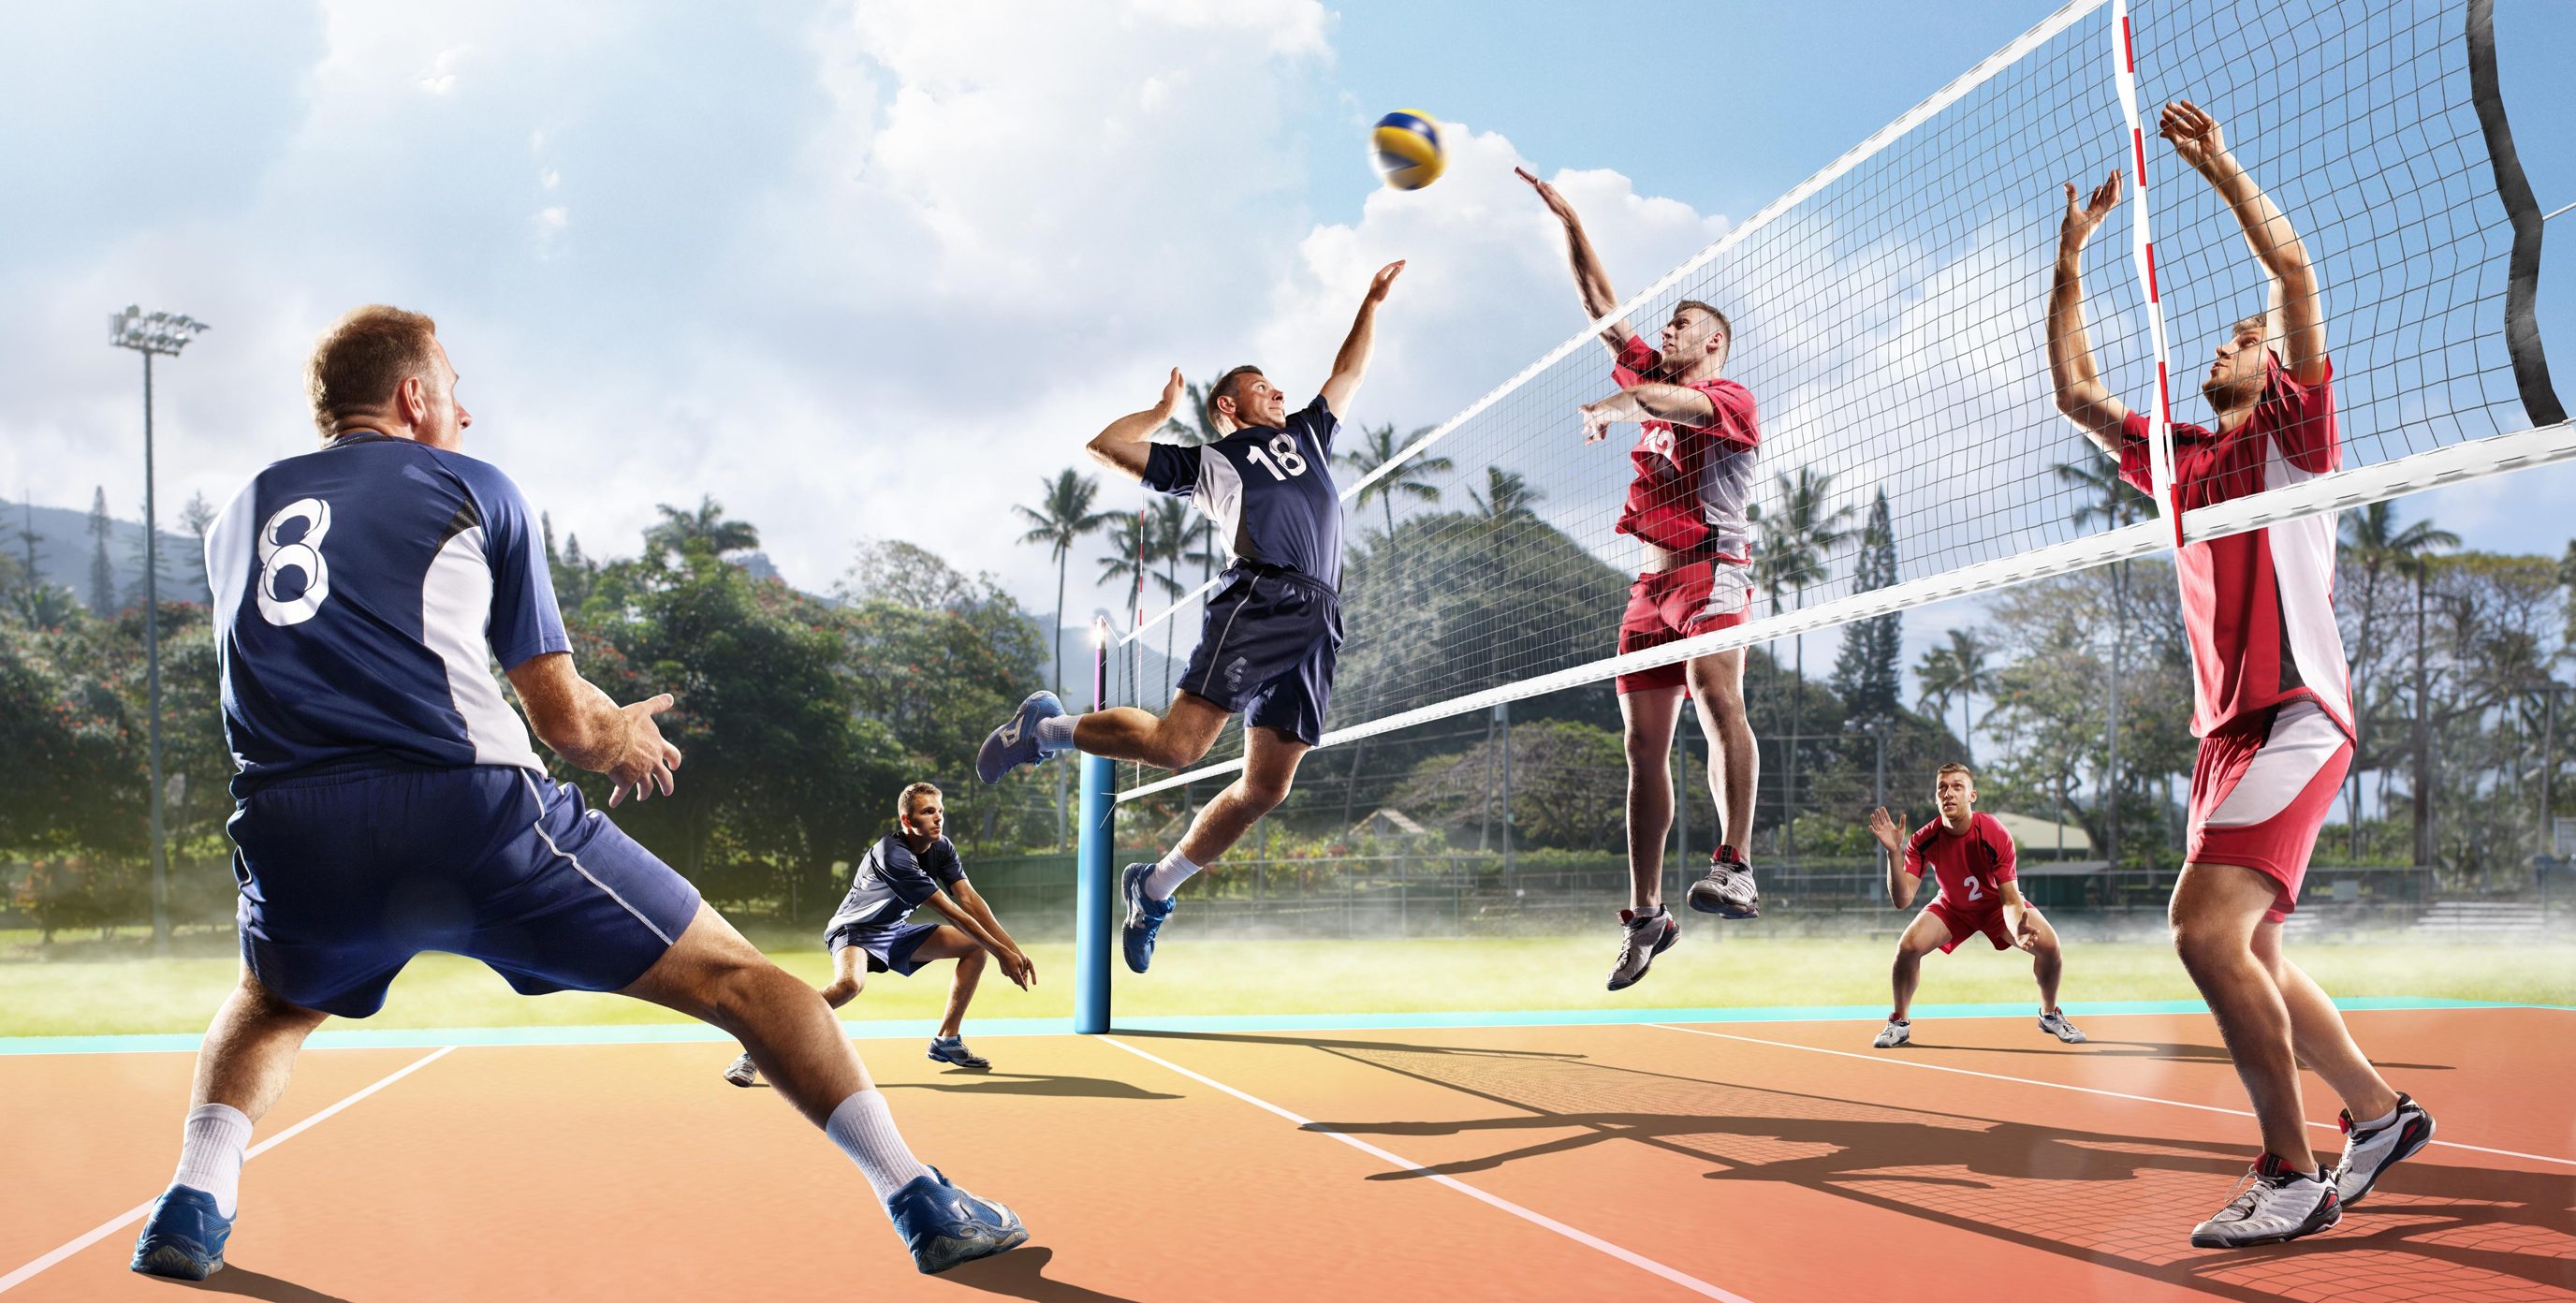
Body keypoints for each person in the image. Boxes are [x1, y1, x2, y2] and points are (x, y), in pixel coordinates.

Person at [131, 306, 1025, 1282]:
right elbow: (560, 719)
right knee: (745, 981)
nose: (464, 413)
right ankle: (922, 1199)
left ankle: (192, 1203)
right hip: (462, 810)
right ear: (412, 397)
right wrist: (620, 738)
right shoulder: (472, 488)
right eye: (454, 390)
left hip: (290, 823)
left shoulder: (240, 515)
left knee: (269, 1004)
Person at [2050, 101, 2434, 1249]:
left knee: (2203, 932)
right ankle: (2376, 1116)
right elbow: (2074, 393)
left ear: (2277, 374)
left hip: (2296, 716)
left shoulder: (2293, 437)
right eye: (2224, 336)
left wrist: (2219, 168)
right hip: (2226, 734)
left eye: (2244, 339)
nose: (2227, 342)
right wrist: (2070, 261)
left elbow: (2294, 269)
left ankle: (2290, 1170)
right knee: (2252, 945)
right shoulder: (2184, 465)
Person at [974, 262, 1403, 975]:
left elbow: (1349, 371)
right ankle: (1044, 728)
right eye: (1262, 385)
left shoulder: (1310, 433)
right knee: (1179, 748)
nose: (1279, 390)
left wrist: (1371, 302)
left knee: (1266, 787)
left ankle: (1154, 887)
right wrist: (1160, 412)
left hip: (1320, 616)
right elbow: (1106, 447)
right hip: (1261, 600)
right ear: (1228, 406)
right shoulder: (1213, 458)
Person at [1519, 165, 1764, 991]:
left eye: (1683, 323)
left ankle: (1735, 864)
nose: (1669, 328)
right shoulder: (1649, 372)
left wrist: (1606, 410)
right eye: (1667, 323)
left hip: (1713, 574)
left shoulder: (1727, 397)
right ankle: (1649, 914)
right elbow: (1599, 306)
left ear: (1713, 343)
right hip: (1649, 589)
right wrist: (1569, 218)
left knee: (1718, 694)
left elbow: (1667, 406)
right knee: (1640, 747)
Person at [723, 783, 1034, 1085]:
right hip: (854, 930)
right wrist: (1001, 953)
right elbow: (951, 911)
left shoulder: (943, 848)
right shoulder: (893, 855)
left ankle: (947, 1040)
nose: (938, 818)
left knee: (973, 948)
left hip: (894, 930)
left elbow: (969, 900)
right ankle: (755, 1049)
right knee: (849, 985)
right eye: (928, 812)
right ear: (907, 820)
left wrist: (1012, 951)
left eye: (940, 810)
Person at [1866, 765, 2086, 1048]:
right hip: (1952, 906)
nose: (1949, 793)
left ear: (1972, 795)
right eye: (1942, 787)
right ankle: (1899, 1023)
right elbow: (1903, 899)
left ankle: (2049, 1015)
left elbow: (2009, 898)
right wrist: (1893, 853)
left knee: (2051, 947)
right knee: (1907, 948)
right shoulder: (1923, 840)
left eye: (1957, 786)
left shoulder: (1993, 832)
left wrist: (2018, 928)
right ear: (1935, 798)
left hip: (1996, 906)